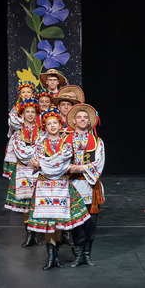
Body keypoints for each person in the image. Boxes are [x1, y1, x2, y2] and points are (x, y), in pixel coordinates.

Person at [26, 109, 89, 270]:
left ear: (60, 125)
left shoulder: (66, 145)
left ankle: (56, 257)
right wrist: (39, 163)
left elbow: (59, 164)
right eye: (49, 124)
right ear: (45, 127)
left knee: (59, 221)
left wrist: (45, 164)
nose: (52, 126)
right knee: (48, 223)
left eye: (55, 123)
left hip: (61, 186)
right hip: (45, 188)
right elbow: (44, 163)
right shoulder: (40, 145)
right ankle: (51, 258)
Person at [64, 103, 105, 267]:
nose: (82, 119)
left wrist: (80, 168)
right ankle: (78, 254)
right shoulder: (66, 140)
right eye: (79, 117)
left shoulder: (97, 142)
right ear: (74, 121)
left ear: (89, 121)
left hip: (90, 186)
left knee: (90, 223)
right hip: (72, 186)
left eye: (85, 117)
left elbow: (99, 163)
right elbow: (60, 161)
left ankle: (87, 254)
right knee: (76, 222)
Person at [4, 98, 42, 247]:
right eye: (27, 112)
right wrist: (32, 155)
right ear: (22, 114)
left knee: (36, 203)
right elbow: (20, 151)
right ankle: (29, 235)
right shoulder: (18, 134)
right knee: (25, 205)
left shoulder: (42, 132)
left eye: (33, 112)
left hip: (38, 170)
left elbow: (42, 149)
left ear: (36, 114)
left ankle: (36, 234)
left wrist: (34, 156)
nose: (30, 114)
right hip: (23, 171)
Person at [3, 81, 37, 179]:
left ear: (32, 94)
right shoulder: (16, 108)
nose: (26, 94)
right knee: (16, 164)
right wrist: (24, 122)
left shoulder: (36, 107)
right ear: (20, 95)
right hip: (20, 138)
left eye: (28, 92)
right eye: (23, 92)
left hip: (33, 136)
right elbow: (13, 123)